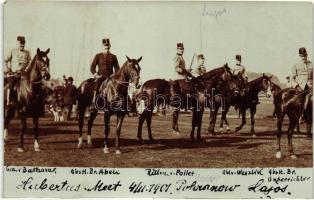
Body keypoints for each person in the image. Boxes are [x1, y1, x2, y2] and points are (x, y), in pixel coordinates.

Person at [90, 38, 120, 110]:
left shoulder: (113, 56)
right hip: (101, 77)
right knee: (97, 87)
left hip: (111, 78)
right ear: (102, 46)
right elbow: (92, 67)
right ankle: (94, 103)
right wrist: (95, 74)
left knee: (118, 88)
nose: (106, 47)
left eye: (108, 45)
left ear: (110, 46)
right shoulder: (98, 56)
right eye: (105, 46)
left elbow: (117, 68)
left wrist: (114, 74)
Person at [4, 36, 31, 106]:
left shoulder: (27, 52)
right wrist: (8, 69)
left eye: (23, 43)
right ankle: (9, 102)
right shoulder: (12, 51)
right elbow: (5, 61)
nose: (22, 45)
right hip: (14, 74)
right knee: (11, 85)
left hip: (23, 75)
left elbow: (29, 63)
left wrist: (26, 70)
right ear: (17, 43)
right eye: (20, 43)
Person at [290, 47, 313, 112]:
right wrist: (296, 86)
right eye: (301, 56)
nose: (303, 58)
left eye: (305, 55)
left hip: (311, 86)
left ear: (307, 55)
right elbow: (292, 78)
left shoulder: (312, 64)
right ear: (299, 56)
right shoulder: (295, 65)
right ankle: (300, 114)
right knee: (298, 101)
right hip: (300, 87)